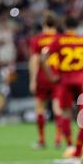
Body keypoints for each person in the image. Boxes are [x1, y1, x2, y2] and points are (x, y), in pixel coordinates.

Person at [43, 17, 83, 164]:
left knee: (65, 113)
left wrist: (51, 76)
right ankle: (79, 148)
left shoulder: (59, 40)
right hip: (82, 79)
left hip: (65, 79)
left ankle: (70, 145)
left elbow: (44, 56)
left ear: (64, 25)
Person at [28, 11, 62, 149]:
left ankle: (41, 139)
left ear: (43, 24)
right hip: (57, 77)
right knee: (57, 108)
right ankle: (58, 138)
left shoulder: (37, 39)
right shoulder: (60, 39)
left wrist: (33, 80)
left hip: (42, 77)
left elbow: (35, 60)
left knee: (40, 108)